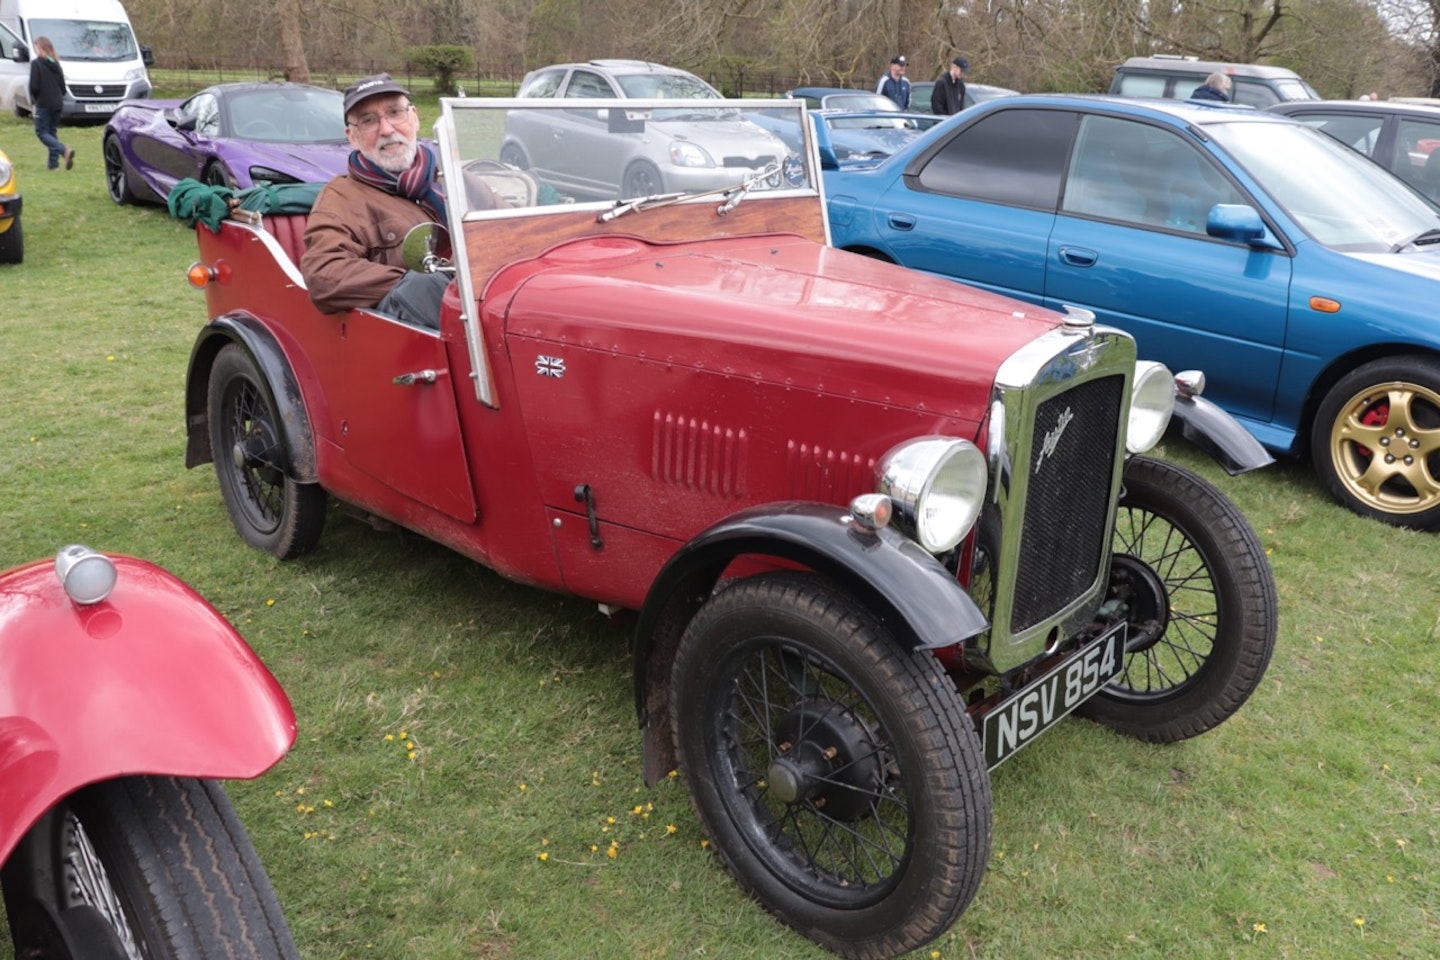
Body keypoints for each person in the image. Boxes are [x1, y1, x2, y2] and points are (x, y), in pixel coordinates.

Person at [301, 74, 459, 328]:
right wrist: (431, 282)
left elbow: (517, 231)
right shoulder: (340, 198)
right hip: (416, 341)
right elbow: (324, 275)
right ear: (352, 136)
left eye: (395, 113)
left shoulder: (456, 179)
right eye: (368, 121)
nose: (386, 129)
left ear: (415, 117)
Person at [27, 37, 73, 171]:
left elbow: (34, 86)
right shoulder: (56, 63)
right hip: (57, 103)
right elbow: (62, 87)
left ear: (40, 48)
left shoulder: (36, 64)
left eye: (36, 47)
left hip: (44, 103)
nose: (35, 49)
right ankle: (53, 166)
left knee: (41, 132)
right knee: (51, 132)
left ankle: (64, 150)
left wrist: (35, 98)